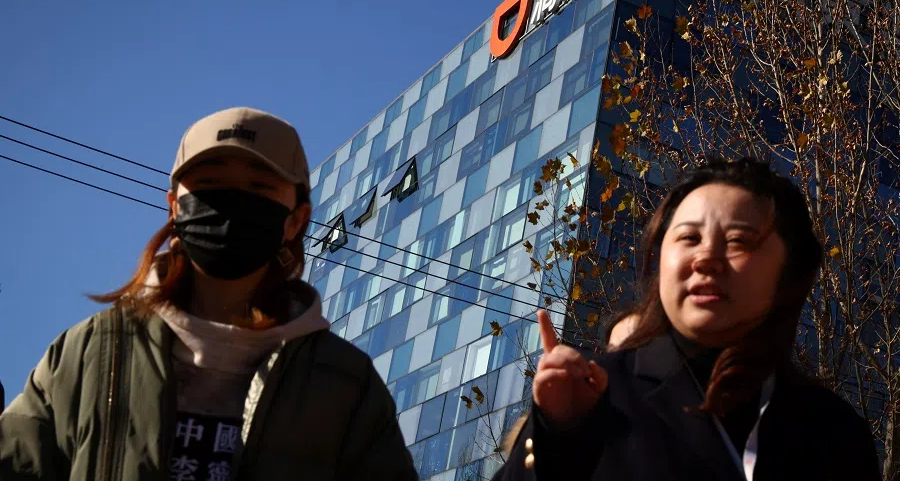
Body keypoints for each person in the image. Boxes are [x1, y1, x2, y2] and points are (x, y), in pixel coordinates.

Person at [0, 107, 418, 481]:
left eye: (259, 188)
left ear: (296, 220)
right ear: (174, 206)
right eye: (210, 185)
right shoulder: (86, 355)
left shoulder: (345, 383)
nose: (232, 203)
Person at [493, 157, 881, 480]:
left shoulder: (834, 430)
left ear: (790, 274)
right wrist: (558, 435)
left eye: (739, 241)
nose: (706, 258)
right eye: (689, 238)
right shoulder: (594, 392)